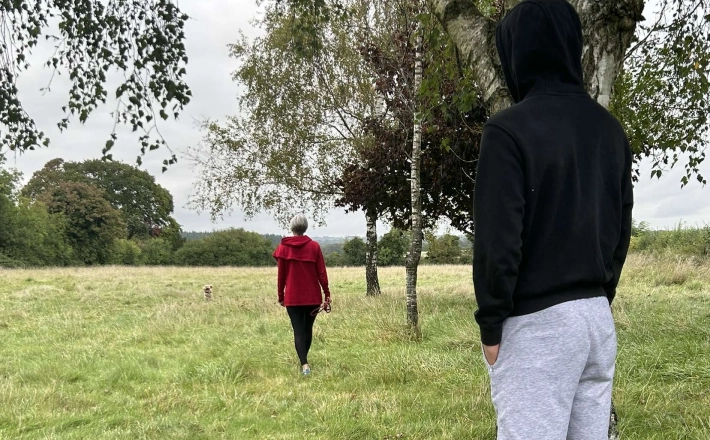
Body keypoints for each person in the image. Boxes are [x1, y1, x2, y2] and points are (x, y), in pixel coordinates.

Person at [473, 1, 633, 439]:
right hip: (596, 318)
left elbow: (497, 240)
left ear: (515, 53)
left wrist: (491, 324)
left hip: (538, 325)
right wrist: (599, 296)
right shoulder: (610, 131)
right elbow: (620, 232)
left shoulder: (507, 131)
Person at [273, 214, 331, 376]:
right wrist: (327, 294)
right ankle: (304, 360)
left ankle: (304, 364)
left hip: (292, 297)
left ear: (292, 228)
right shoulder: (314, 247)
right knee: (307, 329)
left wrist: (280, 295)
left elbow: (281, 276)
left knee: (298, 331)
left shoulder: (283, 248)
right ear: (305, 227)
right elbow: (322, 273)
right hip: (312, 296)